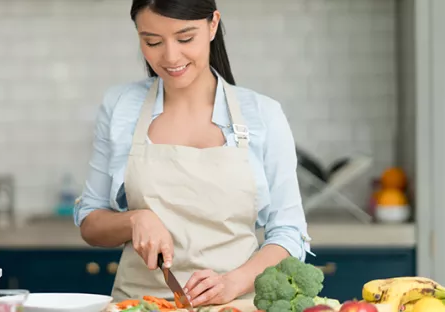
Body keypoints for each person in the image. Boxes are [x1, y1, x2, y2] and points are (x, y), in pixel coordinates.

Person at [75, 0, 312, 307]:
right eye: (153, 41)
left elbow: (289, 234)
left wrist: (232, 282)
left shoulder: (263, 114)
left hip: (234, 303)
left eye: (185, 38)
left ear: (213, 24)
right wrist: (133, 220)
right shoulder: (121, 106)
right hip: (139, 304)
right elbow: (90, 222)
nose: (171, 56)